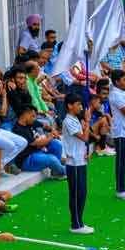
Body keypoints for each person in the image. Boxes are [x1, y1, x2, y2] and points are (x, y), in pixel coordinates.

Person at [60, 93, 92, 233]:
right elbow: (84, 137)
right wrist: (87, 121)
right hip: (74, 163)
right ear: (69, 105)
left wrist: (86, 152)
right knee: (77, 193)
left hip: (80, 160)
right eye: (78, 104)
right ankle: (76, 224)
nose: (80, 107)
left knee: (82, 192)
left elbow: (81, 142)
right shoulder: (69, 121)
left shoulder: (75, 120)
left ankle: (80, 222)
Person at [11, 105, 65, 178]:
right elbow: (38, 143)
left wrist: (53, 130)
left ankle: (56, 172)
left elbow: (45, 126)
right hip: (27, 160)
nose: (34, 119)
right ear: (25, 114)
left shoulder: (30, 122)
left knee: (56, 144)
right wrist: (52, 136)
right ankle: (69, 170)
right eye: (32, 116)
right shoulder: (18, 129)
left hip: (37, 152)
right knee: (52, 159)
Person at [107, 70, 125, 199]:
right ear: (117, 81)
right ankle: (120, 189)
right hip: (121, 133)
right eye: (124, 79)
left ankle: (123, 187)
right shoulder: (115, 95)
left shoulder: (123, 93)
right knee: (121, 162)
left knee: (124, 161)